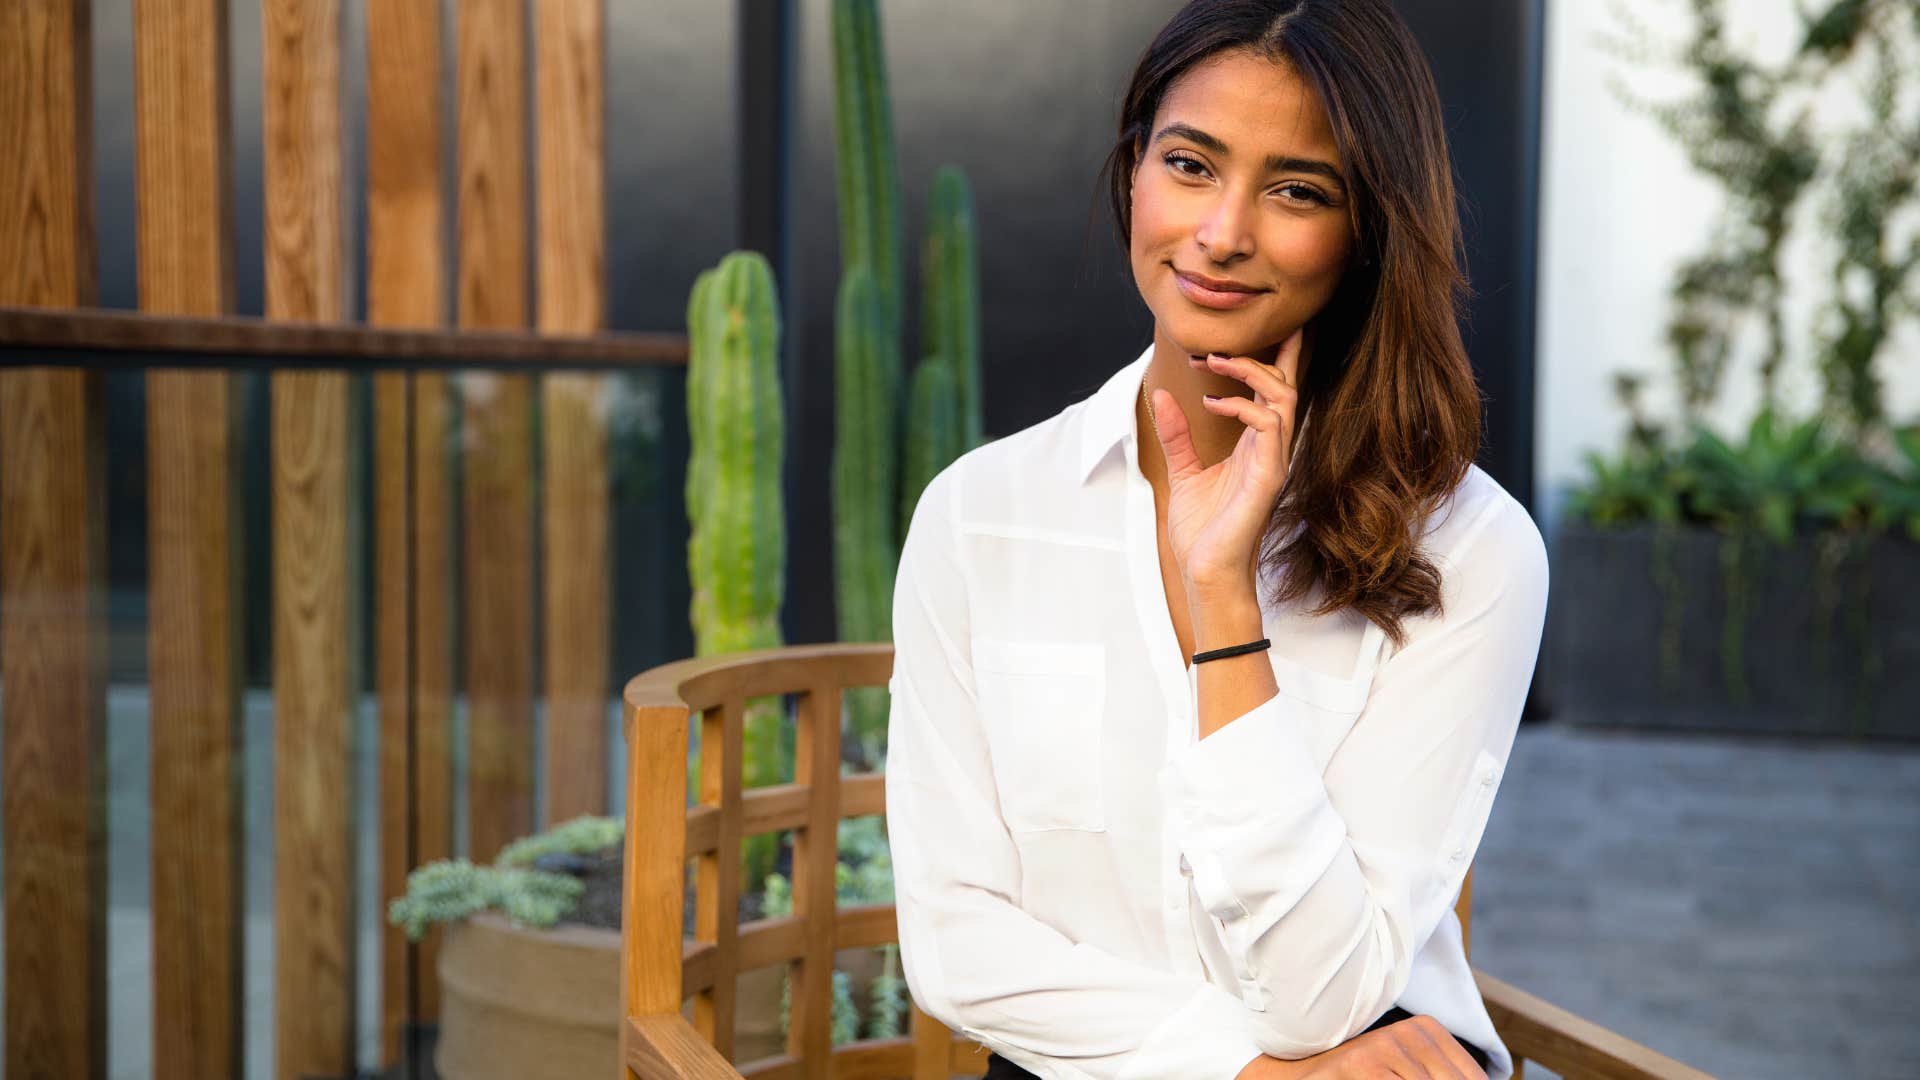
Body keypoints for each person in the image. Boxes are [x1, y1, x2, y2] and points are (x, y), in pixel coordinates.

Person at [883, 1, 1549, 1077]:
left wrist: (1224, 598)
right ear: (1132, 172)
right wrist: (1235, 1075)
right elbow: (958, 942)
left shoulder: (1473, 551)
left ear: (1370, 227)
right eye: (1190, 164)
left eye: (1296, 190)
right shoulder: (978, 515)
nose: (1224, 232)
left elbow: (1321, 1000)